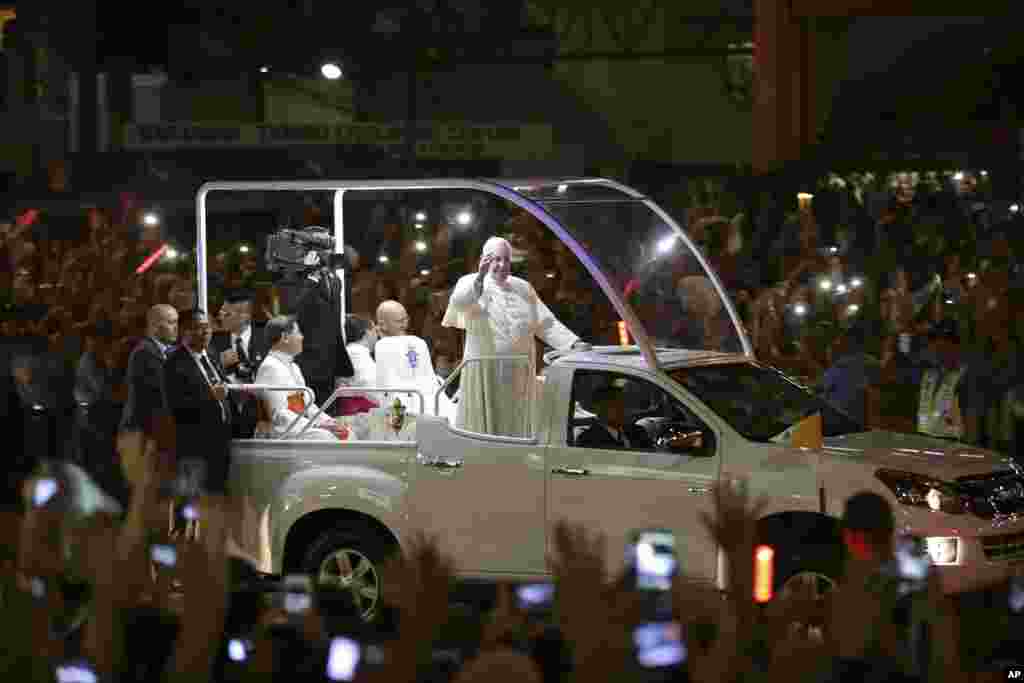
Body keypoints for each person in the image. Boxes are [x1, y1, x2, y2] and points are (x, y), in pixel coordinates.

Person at [443, 237, 588, 437]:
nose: (502, 265)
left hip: (520, 372)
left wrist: (573, 343)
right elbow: (460, 303)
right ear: (484, 259)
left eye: (506, 260)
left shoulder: (523, 287)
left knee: (518, 426)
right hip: (487, 373)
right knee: (486, 430)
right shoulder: (470, 282)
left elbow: (546, 323)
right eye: (496, 259)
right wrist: (479, 277)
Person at [162, 310, 235, 494]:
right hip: (193, 446)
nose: (206, 333)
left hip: (220, 442)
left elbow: (221, 390)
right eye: (199, 328)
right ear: (184, 331)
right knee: (189, 503)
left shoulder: (211, 355)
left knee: (215, 499)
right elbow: (176, 405)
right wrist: (210, 396)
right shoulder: (174, 362)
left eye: (208, 327)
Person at [255, 315, 351, 441]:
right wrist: (319, 425)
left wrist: (330, 422)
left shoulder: (294, 367)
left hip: (300, 426)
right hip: (282, 432)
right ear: (284, 338)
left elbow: (308, 405)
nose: (302, 337)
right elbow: (280, 414)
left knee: (346, 431)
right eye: (298, 332)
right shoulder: (270, 367)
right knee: (326, 437)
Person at [120, 304, 177, 433]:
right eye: (171, 322)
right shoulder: (145, 352)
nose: (176, 328)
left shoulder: (170, 351)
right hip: (143, 432)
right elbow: (162, 390)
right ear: (155, 325)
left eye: (176, 322)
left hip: (158, 430)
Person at [576, 385, 653, 450]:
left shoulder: (639, 432)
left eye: (622, 403)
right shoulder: (588, 439)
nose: (621, 409)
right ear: (599, 408)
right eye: (614, 404)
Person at [336, 314, 378, 415]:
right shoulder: (357, 353)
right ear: (368, 332)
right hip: (363, 410)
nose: (377, 335)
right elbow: (371, 388)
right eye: (375, 331)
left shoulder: (353, 352)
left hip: (362, 407)